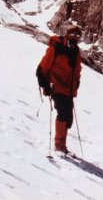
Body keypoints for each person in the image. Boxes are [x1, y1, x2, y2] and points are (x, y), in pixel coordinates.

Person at [37, 25, 82, 153]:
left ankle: (62, 145)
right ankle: (59, 146)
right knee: (63, 114)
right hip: (55, 87)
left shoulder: (75, 50)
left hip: (68, 90)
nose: (75, 38)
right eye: (73, 34)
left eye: (78, 36)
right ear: (67, 34)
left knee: (68, 119)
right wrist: (45, 85)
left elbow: (77, 70)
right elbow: (41, 69)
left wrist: (77, 82)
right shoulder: (56, 47)